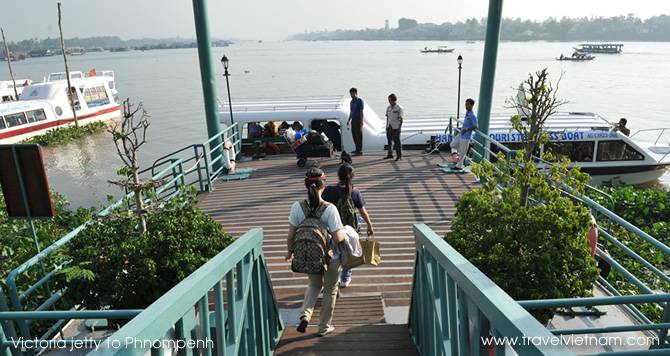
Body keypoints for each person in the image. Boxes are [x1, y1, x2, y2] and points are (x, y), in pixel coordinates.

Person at [287, 168, 347, 336]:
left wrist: (289, 253)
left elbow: (290, 236)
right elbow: (338, 238)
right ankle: (323, 327)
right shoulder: (329, 208)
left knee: (314, 285)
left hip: (309, 255)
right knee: (330, 290)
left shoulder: (297, 207)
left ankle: (305, 315)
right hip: (329, 256)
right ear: (324, 185)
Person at [322, 164, 375, 288]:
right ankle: (345, 278)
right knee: (348, 250)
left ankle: (335, 276)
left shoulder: (329, 190)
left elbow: (322, 207)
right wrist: (370, 226)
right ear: (352, 176)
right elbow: (362, 211)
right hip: (350, 229)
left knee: (334, 251)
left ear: (338, 175)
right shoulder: (355, 192)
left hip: (333, 228)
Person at [451, 98, 478, 170]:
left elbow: (475, 126)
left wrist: (467, 129)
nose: (466, 106)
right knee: (452, 144)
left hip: (466, 137)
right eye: (465, 105)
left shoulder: (472, 115)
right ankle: (456, 158)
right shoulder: (467, 113)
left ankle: (459, 166)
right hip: (461, 134)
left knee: (462, 152)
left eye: (468, 105)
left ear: (472, 105)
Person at [384, 93, 404, 161]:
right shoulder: (388, 107)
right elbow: (387, 117)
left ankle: (399, 155)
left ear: (394, 100)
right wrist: (386, 125)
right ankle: (390, 154)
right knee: (389, 141)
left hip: (396, 127)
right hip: (389, 126)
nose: (389, 102)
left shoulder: (399, 108)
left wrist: (400, 127)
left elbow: (401, 119)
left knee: (397, 141)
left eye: (390, 100)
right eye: (388, 100)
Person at [347, 88, 365, 155]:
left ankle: (359, 150)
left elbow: (361, 112)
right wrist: (349, 120)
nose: (352, 95)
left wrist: (361, 121)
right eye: (351, 94)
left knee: (359, 135)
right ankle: (356, 149)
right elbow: (351, 111)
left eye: (353, 93)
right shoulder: (351, 102)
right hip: (353, 119)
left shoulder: (359, 100)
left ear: (356, 93)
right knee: (354, 134)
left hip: (358, 119)